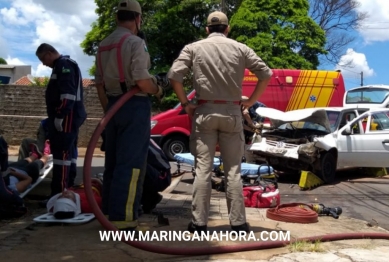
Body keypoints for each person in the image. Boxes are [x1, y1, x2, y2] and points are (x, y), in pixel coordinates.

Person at [167, 11, 272, 233]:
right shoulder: (240, 48)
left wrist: (186, 104)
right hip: (233, 113)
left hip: (204, 111)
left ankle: (198, 224)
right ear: (227, 29)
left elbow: (174, 76)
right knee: (233, 170)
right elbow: (265, 74)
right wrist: (251, 101)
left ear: (207, 29)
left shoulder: (193, 48)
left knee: (203, 169)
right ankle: (238, 224)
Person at [94, 0, 164, 231]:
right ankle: (124, 219)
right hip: (134, 104)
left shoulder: (103, 45)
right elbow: (142, 81)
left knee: (113, 162)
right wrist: (158, 89)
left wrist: (108, 114)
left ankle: (109, 213)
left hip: (112, 106)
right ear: (138, 19)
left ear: (116, 18)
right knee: (132, 164)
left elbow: (100, 85)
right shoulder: (135, 43)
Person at [35, 44, 87, 199]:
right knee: (68, 154)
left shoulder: (64, 65)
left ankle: (59, 194)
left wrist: (60, 116)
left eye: (43, 59)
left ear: (50, 53)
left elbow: (67, 94)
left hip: (67, 117)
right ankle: (68, 189)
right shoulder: (62, 65)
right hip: (69, 116)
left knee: (61, 155)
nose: (43, 63)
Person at [18, 118, 79, 188]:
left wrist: (70, 177)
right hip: (46, 150)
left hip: (59, 152)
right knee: (26, 142)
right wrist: (43, 152)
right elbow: (40, 144)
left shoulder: (69, 125)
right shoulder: (44, 124)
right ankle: (24, 170)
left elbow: (72, 151)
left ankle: (32, 162)